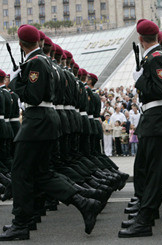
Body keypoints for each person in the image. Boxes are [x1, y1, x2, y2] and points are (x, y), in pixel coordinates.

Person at [0, 25, 101, 241]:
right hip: (44, 120)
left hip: (37, 121)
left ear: (20, 44)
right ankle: (84, 203)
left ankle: (21, 223)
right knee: (41, 173)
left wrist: (17, 80)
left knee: (20, 172)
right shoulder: (44, 61)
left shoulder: (36, 63)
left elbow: (33, 97)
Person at [118, 19, 162, 238]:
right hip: (155, 120)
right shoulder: (153, 57)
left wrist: (140, 81)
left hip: (158, 121)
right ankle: (146, 213)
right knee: (145, 169)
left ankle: (145, 220)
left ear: (141, 39)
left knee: (154, 172)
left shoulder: (156, 58)